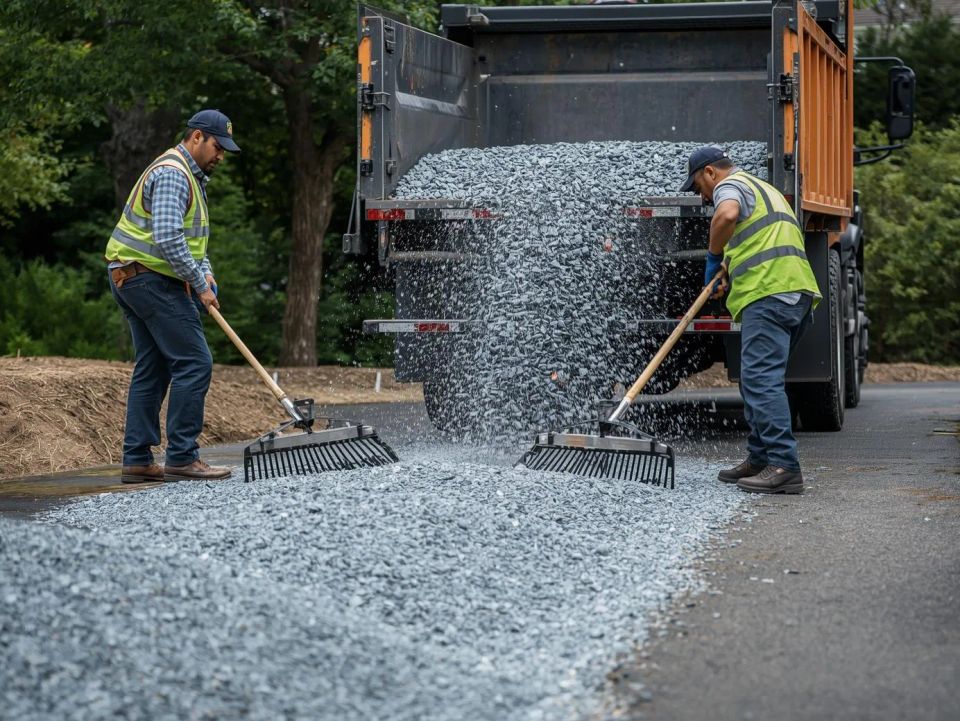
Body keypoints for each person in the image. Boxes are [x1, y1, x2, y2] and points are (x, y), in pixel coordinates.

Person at [104, 109, 241, 483]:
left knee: (155, 366)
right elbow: (167, 238)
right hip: (148, 279)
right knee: (195, 363)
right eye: (217, 146)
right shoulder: (173, 174)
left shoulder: (190, 176)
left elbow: (190, 239)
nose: (221, 155)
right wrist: (197, 284)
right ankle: (182, 456)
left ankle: (137, 459)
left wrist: (205, 273)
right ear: (196, 137)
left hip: (131, 276)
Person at [679, 146, 821, 494]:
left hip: (769, 293)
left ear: (711, 172)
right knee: (756, 379)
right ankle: (760, 458)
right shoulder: (765, 189)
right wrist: (728, 269)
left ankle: (784, 466)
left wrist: (713, 257)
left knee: (760, 380)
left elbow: (726, 215)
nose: (702, 196)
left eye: (699, 187)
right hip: (794, 293)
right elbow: (759, 238)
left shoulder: (731, 187)